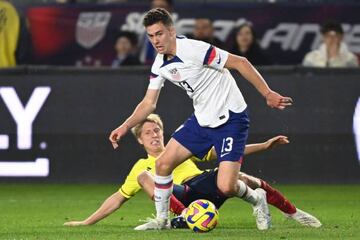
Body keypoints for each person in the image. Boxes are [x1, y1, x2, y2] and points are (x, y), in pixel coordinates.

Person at [109, 8, 293, 231]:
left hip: (231, 118)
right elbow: (149, 103)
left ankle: (257, 200)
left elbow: (241, 62)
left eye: (159, 34)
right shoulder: (159, 64)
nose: (155, 40)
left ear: (171, 31)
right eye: (150, 35)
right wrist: (125, 125)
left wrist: (267, 93)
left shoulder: (194, 49)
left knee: (226, 186)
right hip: (202, 120)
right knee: (162, 164)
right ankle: (162, 220)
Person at [65, 114, 321, 229]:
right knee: (146, 176)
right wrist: (87, 222)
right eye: (147, 133)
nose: (154, 135)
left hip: (201, 187)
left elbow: (227, 151)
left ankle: (293, 212)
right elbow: (117, 199)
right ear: (140, 141)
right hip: (181, 198)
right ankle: (183, 217)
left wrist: (264, 146)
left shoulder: (183, 149)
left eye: (156, 130)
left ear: (162, 133)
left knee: (238, 176)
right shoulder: (140, 168)